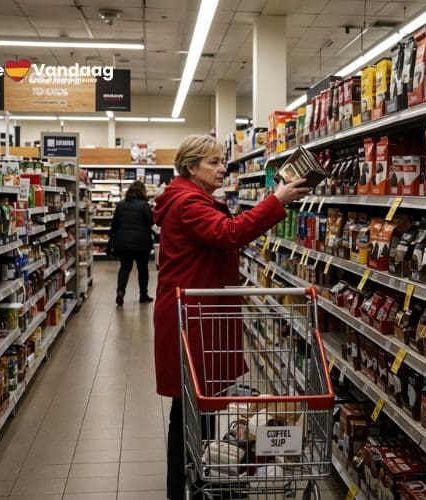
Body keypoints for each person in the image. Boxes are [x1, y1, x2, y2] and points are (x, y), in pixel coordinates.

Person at [153, 134, 310, 500]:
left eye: (223, 160)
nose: (223, 168)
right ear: (191, 167)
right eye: (213, 162)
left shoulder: (194, 199)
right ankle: (187, 485)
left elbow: (217, 243)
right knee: (190, 411)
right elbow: (229, 233)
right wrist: (276, 201)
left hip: (203, 314)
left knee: (198, 409)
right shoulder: (188, 203)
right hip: (194, 319)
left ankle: (205, 476)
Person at [109, 180, 155, 305]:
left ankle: (120, 291)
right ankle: (143, 295)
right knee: (142, 269)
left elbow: (114, 224)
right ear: (142, 191)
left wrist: (111, 237)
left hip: (123, 242)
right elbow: (151, 223)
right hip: (141, 243)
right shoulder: (144, 205)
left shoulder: (121, 204)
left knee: (124, 268)